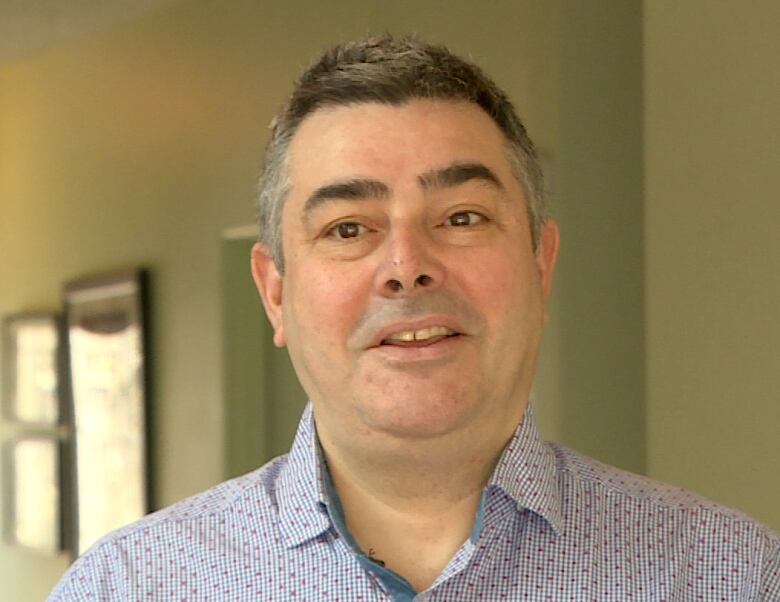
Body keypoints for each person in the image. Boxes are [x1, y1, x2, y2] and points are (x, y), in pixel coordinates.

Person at [49, 35, 779, 602]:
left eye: (460, 217)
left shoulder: (732, 577)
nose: (406, 264)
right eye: (347, 229)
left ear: (541, 264)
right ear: (275, 293)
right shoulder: (129, 587)